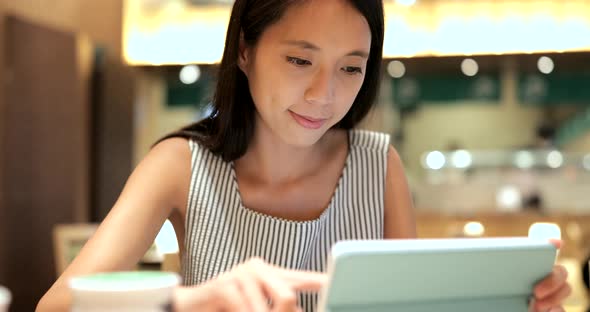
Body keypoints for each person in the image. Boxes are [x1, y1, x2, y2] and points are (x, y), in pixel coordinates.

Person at [37, 0, 571, 311]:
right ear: (244, 50)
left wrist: (513, 301)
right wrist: (192, 302)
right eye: (299, 59)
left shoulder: (378, 165)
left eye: (350, 67)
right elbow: (57, 308)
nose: (325, 94)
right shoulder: (181, 166)